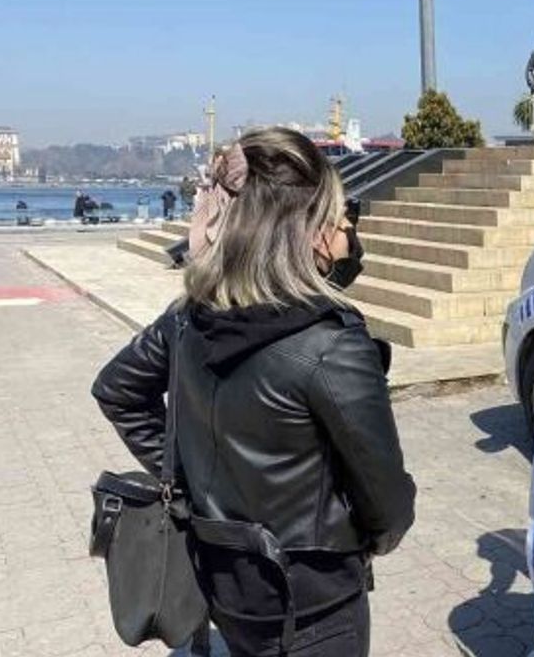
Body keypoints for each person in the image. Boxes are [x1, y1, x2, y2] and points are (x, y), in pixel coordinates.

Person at [91, 127, 414, 657]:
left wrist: (190, 483)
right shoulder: (331, 341)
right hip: (314, 604)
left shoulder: (191, 317)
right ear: (305, 232)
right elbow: (387, 501)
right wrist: (371, 541)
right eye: (336, 220)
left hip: (226, 582)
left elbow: (117, 390)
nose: (346, 233)